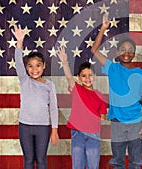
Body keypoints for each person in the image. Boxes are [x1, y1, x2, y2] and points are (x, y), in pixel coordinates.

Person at [91, 14, 142, 169]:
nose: (126, 52)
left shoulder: (141, 74)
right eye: (123, 49)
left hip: (136, 122)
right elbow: (94, 50)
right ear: (118, 52)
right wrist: (103, 28)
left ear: (134, 53)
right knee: (117, 160)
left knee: (135, 161)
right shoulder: (113, 68)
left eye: (130, 50)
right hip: (117, 122)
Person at [11, 25, 59, 169]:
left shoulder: (49, 85)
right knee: (29, 160)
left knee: (41, 160)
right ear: (26, 68)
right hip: (25, 126)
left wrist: (54, 130)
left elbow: (54, 109)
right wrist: (20, 42)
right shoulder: (25, 81)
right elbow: (18, 62)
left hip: (42, 127)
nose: (34, 69)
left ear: (44, 66)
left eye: (38, 65)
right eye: (30, 66)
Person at [57, 47, 107, 169]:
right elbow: (69, 77)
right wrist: (64, 62)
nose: (87, 78)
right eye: (83, 76)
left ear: (95, 76)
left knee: (93, 165)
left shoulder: (100, 95)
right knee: (77, 164)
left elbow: (103, 116)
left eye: (90, 75)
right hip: (77, 133)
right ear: (79, 78)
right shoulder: (77, 90)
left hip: (93, 135)